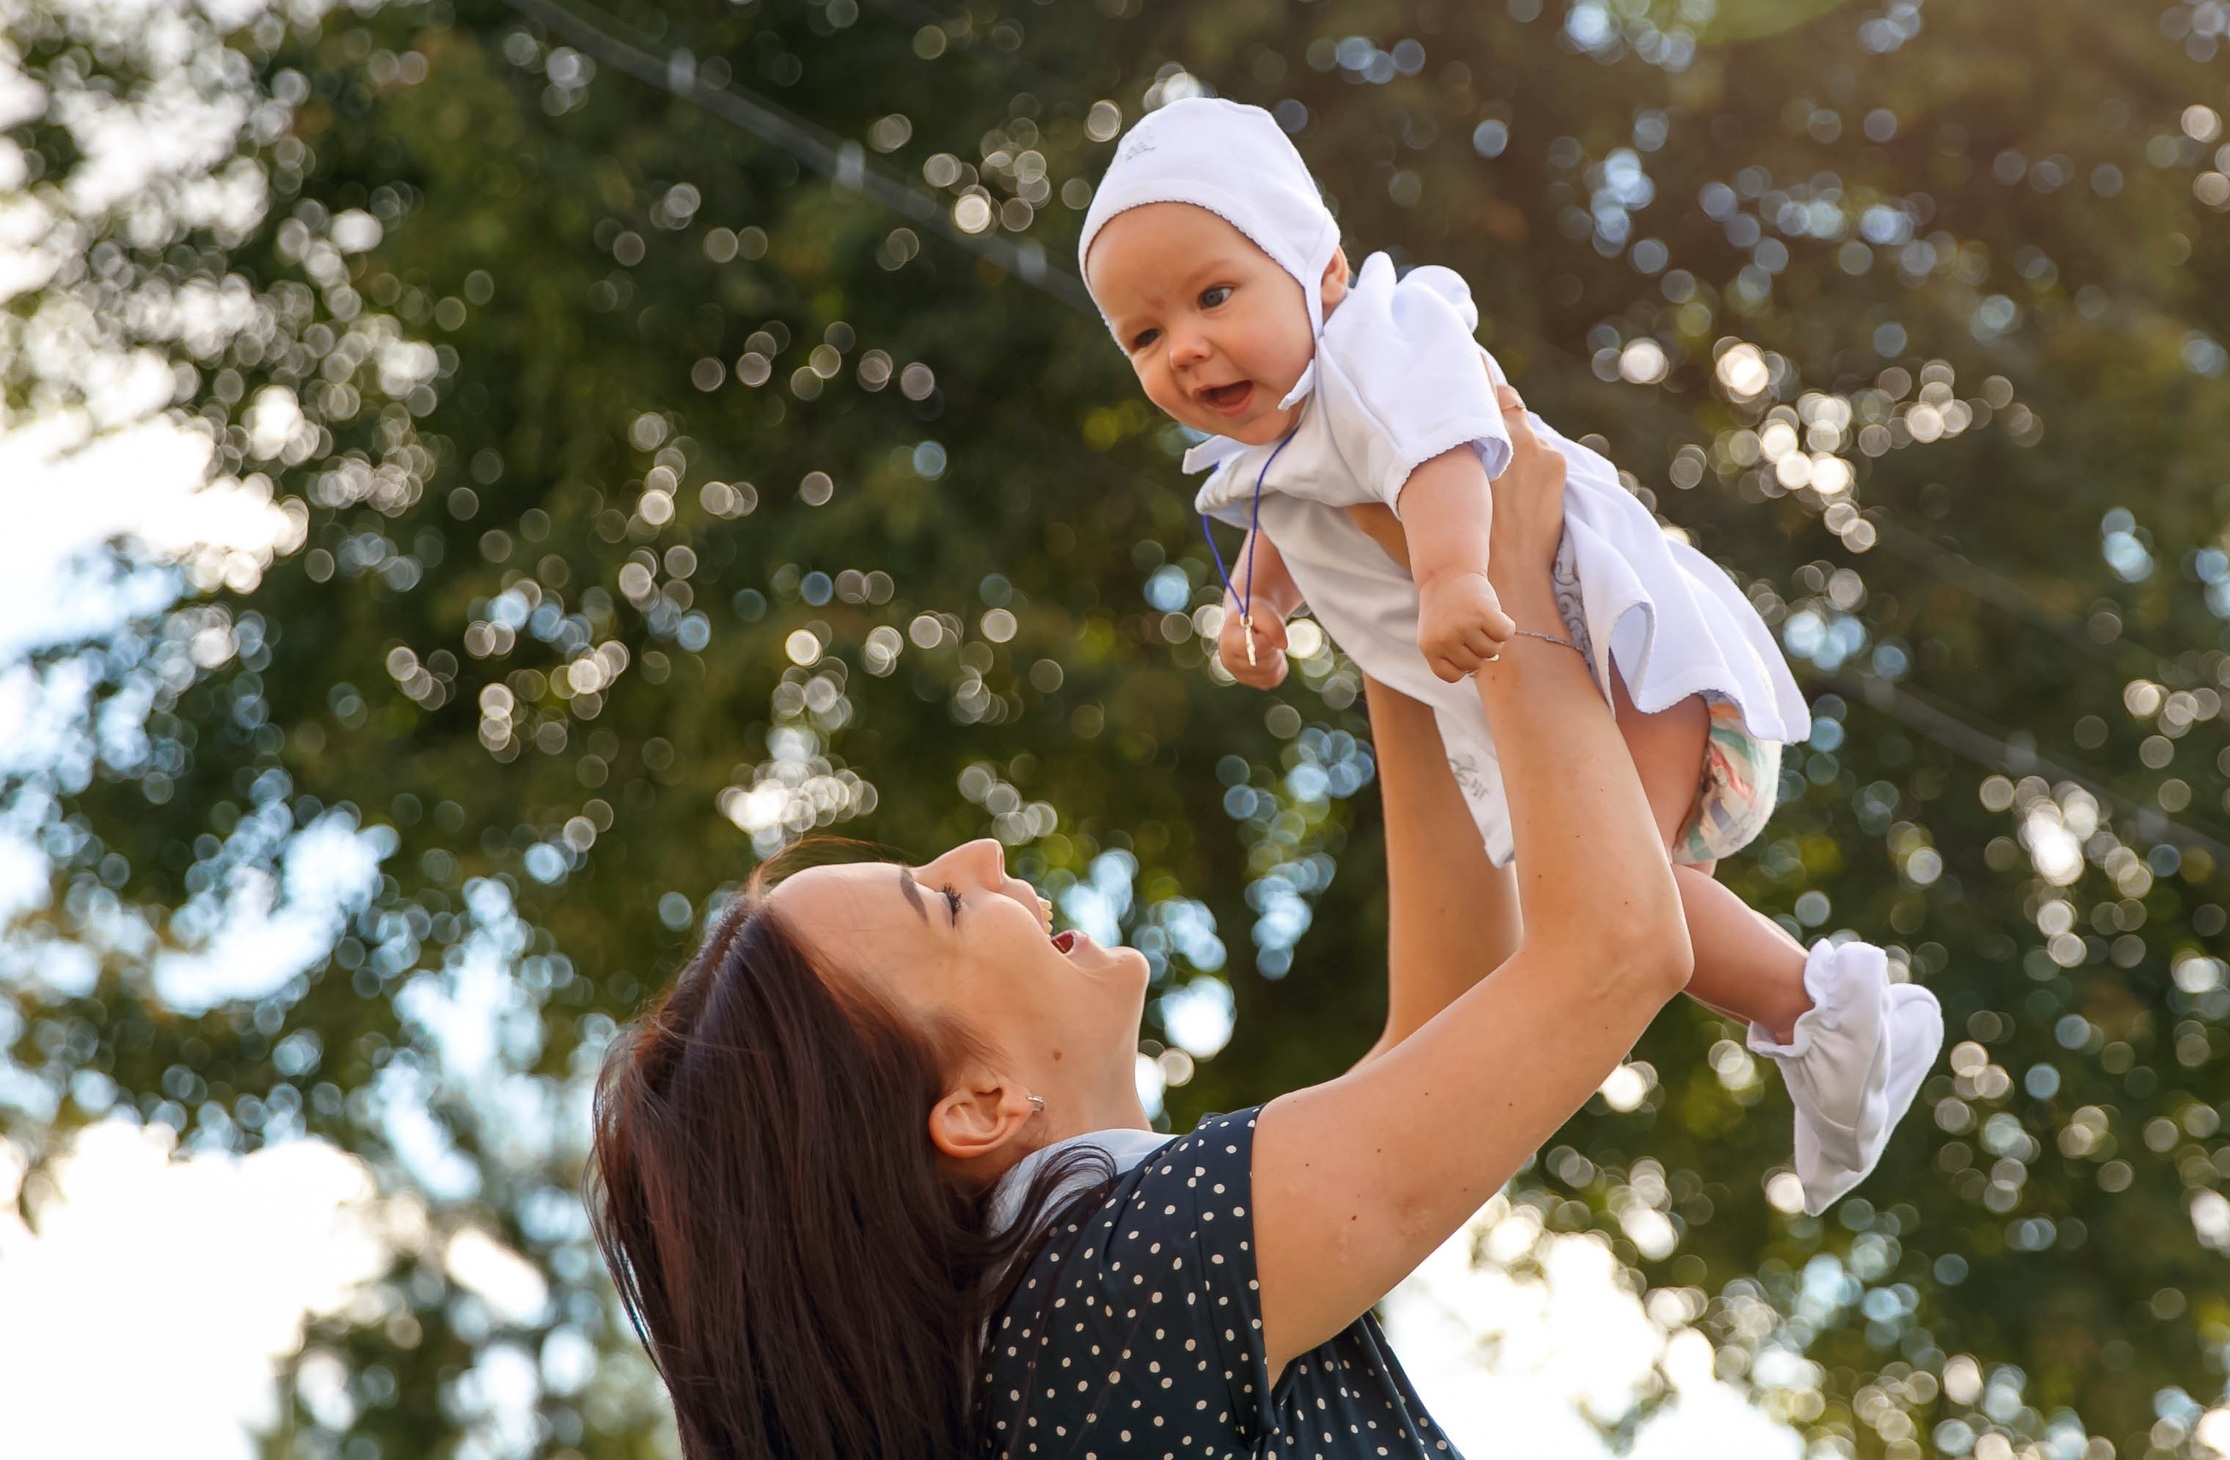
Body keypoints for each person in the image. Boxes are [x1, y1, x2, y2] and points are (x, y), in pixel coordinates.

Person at [589, 398, 1702, 1457]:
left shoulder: (1052, 1342)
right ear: (977, 1107)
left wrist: (1379, 581)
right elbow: (1612, 952)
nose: (983, 858)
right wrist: (1505, 574)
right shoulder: (1125, 1285)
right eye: (943, 902)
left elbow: (1453, 1018)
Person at [1078, 96, 1939, 1211]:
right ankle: (1818, 1019)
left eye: (1212, 295)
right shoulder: (1269, 453)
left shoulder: (1378, 352)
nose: (1184, 346)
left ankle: (1830, 1012)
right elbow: (1285, 532)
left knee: (1612, 892)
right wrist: (1256, 613)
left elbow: (1446, 451)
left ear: (1320, 274)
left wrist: (1450, 578)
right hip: (1539, 669)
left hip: (1604, 632)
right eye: (1144, 336)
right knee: (1608, 887)